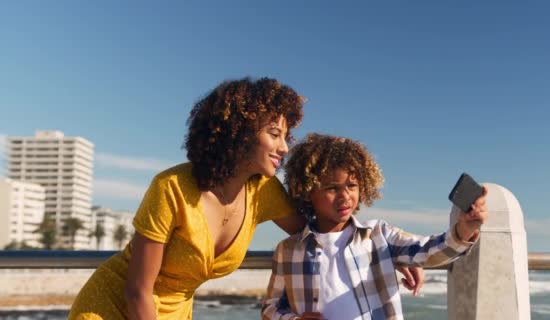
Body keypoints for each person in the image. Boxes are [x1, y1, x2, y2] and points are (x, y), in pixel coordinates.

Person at [68, 78, 423, 320]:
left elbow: (323, 233)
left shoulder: (263, 192)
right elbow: (137, 290)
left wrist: (380, 253)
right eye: (274, 134)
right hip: (113, 306)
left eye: (287, 135)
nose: (285, 147)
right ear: (237, 134)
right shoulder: (171, 188)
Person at [262, 133, 488, 320]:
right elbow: (271, 308)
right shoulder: (288, 250)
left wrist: (464, 230)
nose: (345, 196)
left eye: (352, 185)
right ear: (309, 192)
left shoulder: (379, 235)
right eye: (332, 188)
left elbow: (429, 251)